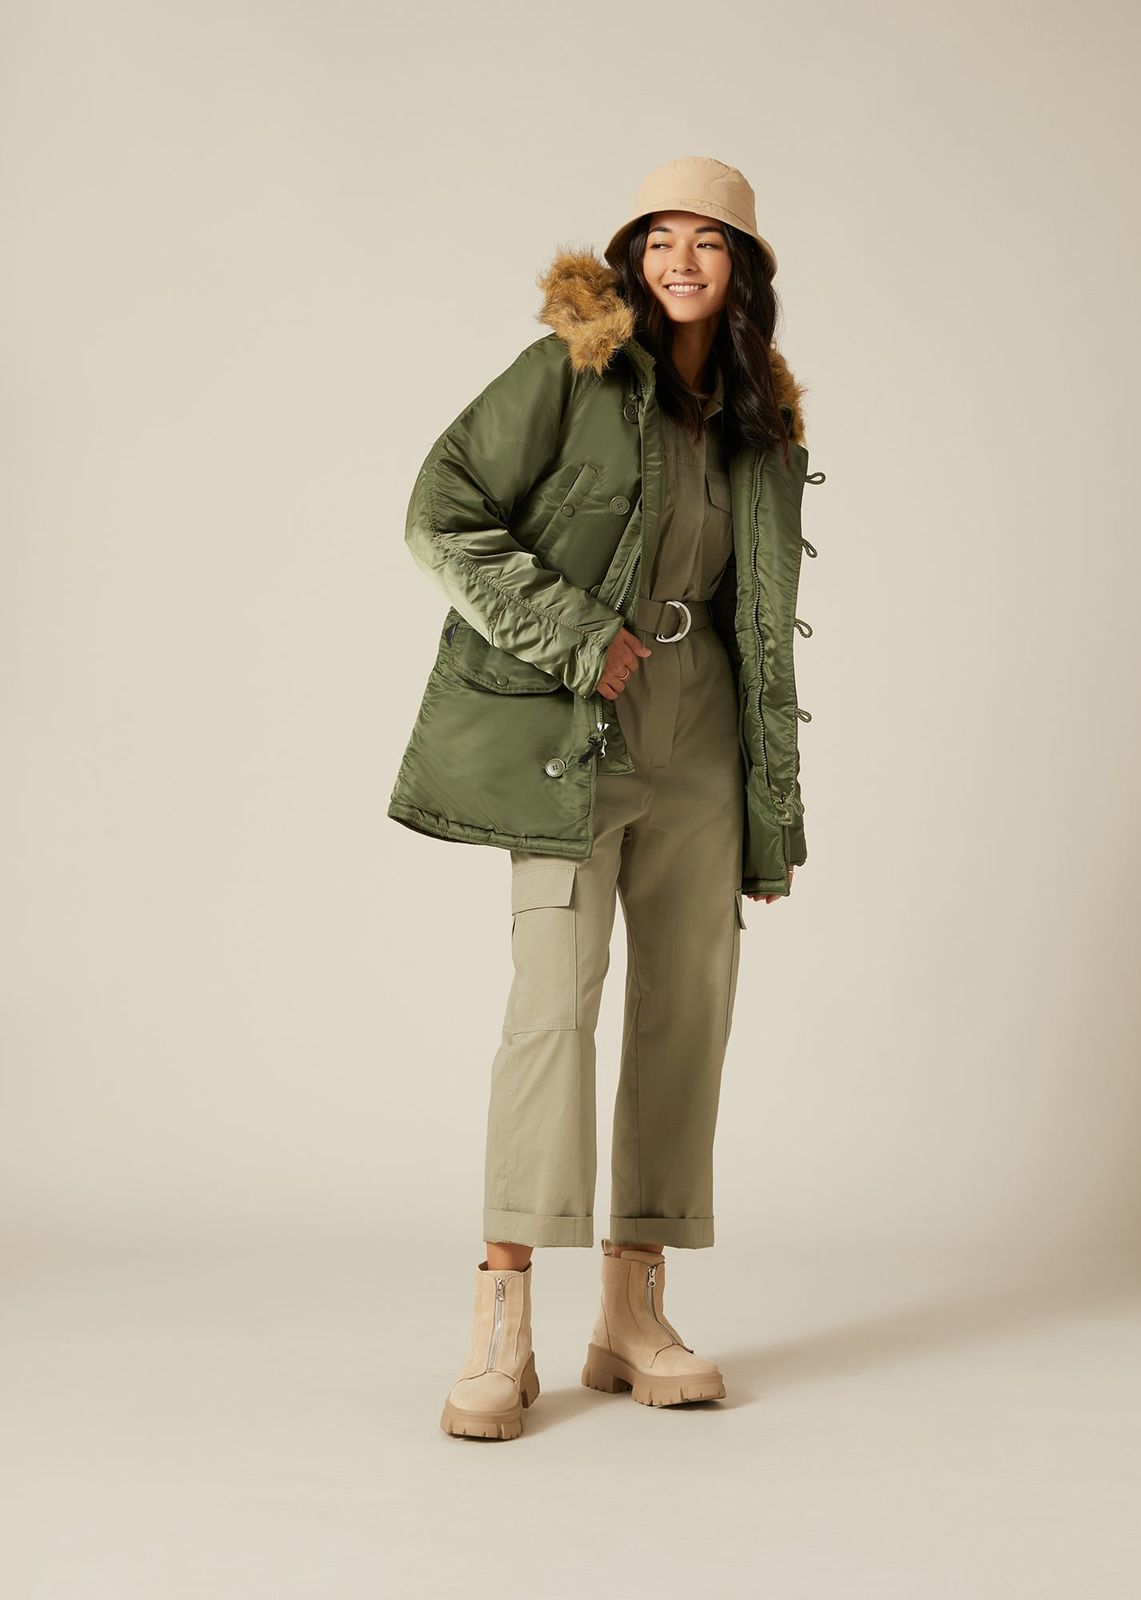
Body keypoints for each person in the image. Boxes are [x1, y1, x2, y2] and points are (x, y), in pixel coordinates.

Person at [386, 156, 823, 1440]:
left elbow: (763, 625)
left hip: (704, 736)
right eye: (662, 238)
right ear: (634, 255)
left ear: (742, 271)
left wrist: (771, 808)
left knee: (687, 1008)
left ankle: (633, 1315)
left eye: (711, 241)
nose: (683, 259)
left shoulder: (759, 420)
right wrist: (577, 633)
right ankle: (502, 1324)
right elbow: (439, 512)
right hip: (574, 731)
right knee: (552, 1008)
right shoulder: (567, 373)